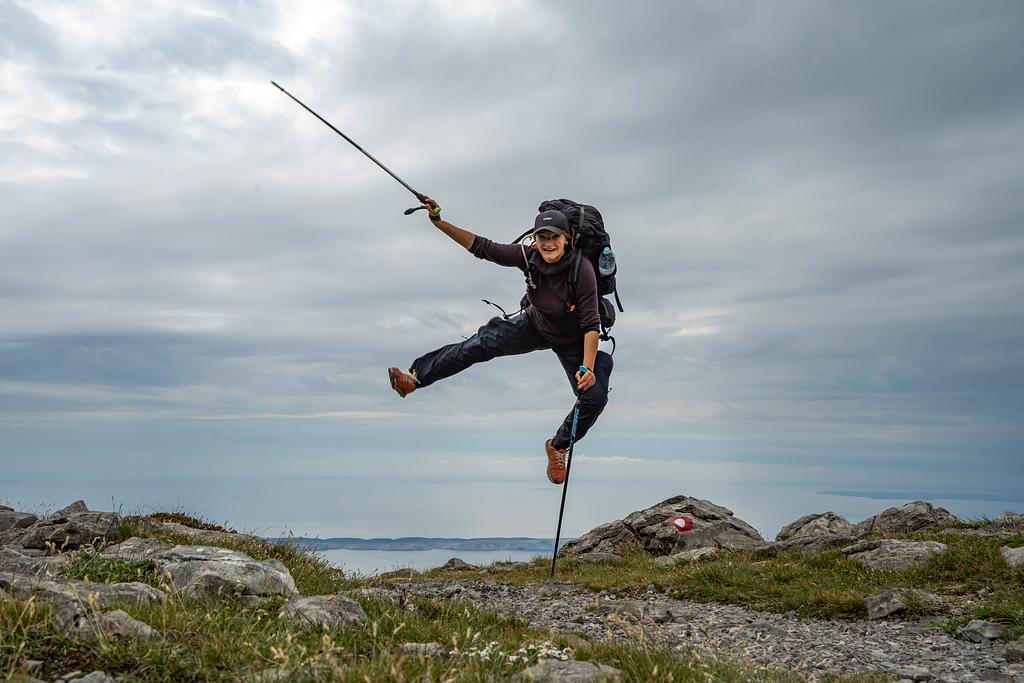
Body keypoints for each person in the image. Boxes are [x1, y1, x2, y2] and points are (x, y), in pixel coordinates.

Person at [387, 197, 614, 485]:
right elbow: (481, 247)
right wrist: (438, 222)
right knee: (478, 345)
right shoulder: (528, 257)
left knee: (594, 398)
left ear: (566, 239)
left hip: (574, 339)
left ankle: (558, 446)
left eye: (554, 237)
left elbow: (591, 324)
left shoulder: (582, 270)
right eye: (542, 237)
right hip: (536, 325)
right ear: (535, 239)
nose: (548, 243)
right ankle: (415, 379)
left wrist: (587, 368)